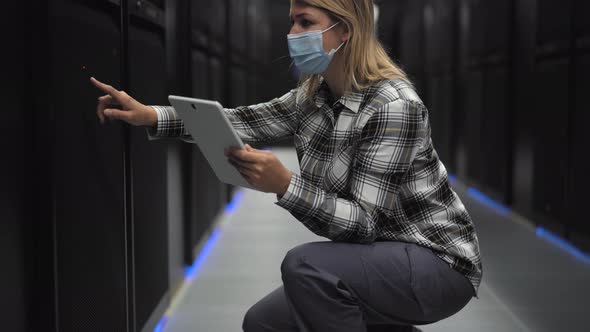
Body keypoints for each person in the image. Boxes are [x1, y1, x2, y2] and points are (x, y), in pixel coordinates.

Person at [91, 0, 482, 331]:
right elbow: (242, 120)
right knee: (264, 322)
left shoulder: (394, 105)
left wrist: (284, 185)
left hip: (437, 264)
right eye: (292, 21)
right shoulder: (313, 94)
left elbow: (364, 224)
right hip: (382, 255)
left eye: (306, 22)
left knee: (306, 266)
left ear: (344, 31)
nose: (293, 32)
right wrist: (151, 116)